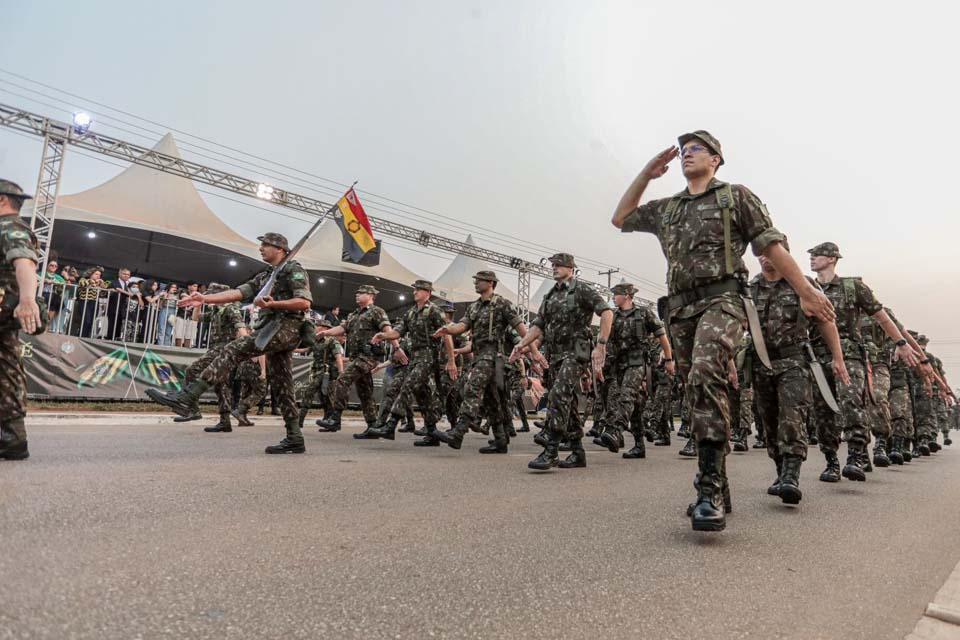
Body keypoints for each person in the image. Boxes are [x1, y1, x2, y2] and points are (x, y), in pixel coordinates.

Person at [612, 130, 834, 532]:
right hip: (680, 310)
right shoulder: (668, 208)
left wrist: (804, 291)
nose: (687, 155)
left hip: (725, 300)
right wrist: (646, 173)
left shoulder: (735, 196)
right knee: (697, 389)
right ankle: (721, 481)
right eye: (683, 151)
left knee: (707, 367)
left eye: (696, 149)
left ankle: (708, 487)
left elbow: (771, 245)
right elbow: (621, 218)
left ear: (716, 159)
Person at [147, 232, 313, 454]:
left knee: (233, 348)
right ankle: (295, 438)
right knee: (283, 387)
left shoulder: (293, 269)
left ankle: (188, 396)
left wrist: (273, 304)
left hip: (285, 328)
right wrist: (204, 299)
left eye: (266, 245)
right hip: (271, 329)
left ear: (280, 249)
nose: (261, 248)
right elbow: (237, 292)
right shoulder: (266, 275)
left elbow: (304, 302)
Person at [807, 242, 922, 482]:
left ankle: (856, 456)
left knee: (852, 403)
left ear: (832, 259)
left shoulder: (853, 287)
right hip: (817, 356)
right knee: (823, 410)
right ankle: (831, 462)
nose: (812, 258)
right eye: (812, 255)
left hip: (850, 355)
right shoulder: (807, 287)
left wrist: (901, 344)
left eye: (817, 255)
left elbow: (882, 317)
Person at [749, 254, 848, 505]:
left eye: (769, 251)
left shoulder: (802, 284)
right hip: (761, 363)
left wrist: (838, 357)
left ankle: (791, 476)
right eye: (759, 252)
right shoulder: (751, 288)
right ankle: (781, 471)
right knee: (768, 421)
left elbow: (826, 321)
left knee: (792, 416)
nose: (765, 257)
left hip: (794, 361)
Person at [510, 254, 611, 470]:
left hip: (576, 352)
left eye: (559, 265)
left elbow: (606, 312)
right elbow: (538, 326)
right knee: (570, 403)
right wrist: (522, 345)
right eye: (553, 265)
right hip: (555, 355)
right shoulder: (549, 296)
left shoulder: (581, 290)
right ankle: (577, 452)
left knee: (557, 393)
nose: (554, 268)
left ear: (571, 268)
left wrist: (601, 344)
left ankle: (550, 449)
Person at [434, 271, 527, 452]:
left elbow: (522, 330)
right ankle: (500, 441)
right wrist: (448, 329)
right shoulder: (474, 306)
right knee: (492, 400)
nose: (476, 283)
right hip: (479, 356)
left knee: (472, 389)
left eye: (479, 281)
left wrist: (534, 351)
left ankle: (457, 433)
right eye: (475, 280)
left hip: (493, 357)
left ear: (491, 283)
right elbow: (463, 325)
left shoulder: (502, 304)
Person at [368, 280, 457, 441]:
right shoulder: (410, 313)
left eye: (418, 289)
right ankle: (432, 432)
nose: (414, 292)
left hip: (429, 357)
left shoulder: (435, 311)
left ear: (427, 292)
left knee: (407, 385)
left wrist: (451, 361)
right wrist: (384, 335)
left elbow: (446, 335)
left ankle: (390, 426)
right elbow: (397, 332)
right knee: (424, 395)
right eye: (414, 289)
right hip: (416, 358)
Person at [595, 282, 672, 457]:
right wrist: (599, 363)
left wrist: (668, 359)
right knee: (636, 405)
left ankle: (615, 430)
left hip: (637, 363)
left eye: (616, 294)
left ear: (627, 296)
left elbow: (662, 336)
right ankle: (639, 446)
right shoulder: (612, 316)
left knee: (626, 394)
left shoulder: (644, 313)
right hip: (618, 364)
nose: (613, 297)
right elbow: (604, 341)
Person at [316, 285, 395, 435]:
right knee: (365, 392)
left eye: (361, 293)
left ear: (371, 295)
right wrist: (326, 332)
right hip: (356, 357)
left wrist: (397, 349)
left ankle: (335, 418)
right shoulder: (354, 315)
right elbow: (341, 329)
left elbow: (387, 330)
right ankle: (372, 426)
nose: (357, 295)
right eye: (357, 293)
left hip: (368, 357)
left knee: (342, 380)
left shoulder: (377, 311)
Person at [0, 179, 41, 460]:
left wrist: (28, 300)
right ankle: (13, 436)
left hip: (6, 305)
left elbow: (24, 261)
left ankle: (13, 436)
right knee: (7, 367)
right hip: (6, 310)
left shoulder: (9, 227)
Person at [176, 283, 250, 432]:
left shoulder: (230, 309)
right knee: (221, 386)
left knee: (192, 370)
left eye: (212, 295)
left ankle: (193, 410)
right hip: (216, 348)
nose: (209, 298)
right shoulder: (217, 310)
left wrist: (248, 349)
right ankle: (225, 421)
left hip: (223, 349)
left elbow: (241, 328)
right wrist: (198, 304)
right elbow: (196, 318)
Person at [297, 318, 344, 429]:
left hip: (327, 373)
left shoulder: (332, 341)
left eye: (318, 326)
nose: (315, 328)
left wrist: (341, 372)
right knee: (323, 397)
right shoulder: (316, 340)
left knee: (311, 392)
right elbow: (305, 350)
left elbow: (338, 356)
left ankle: (299, 420)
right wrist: (290, 350)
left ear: (325, 328)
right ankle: (328, 420)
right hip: (317, 372)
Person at [72, 266, 110, 338]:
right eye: (96, 274)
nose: (98, 276)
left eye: (99, 275)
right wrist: (92, 281)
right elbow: (82, 284)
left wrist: (103, 286)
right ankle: (81, 336)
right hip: (85, 301)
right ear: (91, 274)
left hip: (95, 303)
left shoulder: (99, 283)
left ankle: (87, 337)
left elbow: (103, 293)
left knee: (92, 322)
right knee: (86, 320)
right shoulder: (83, 279)